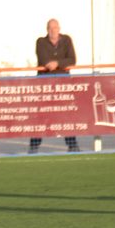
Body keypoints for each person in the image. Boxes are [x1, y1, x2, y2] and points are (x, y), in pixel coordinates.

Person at [32, 18, 79, 153]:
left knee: (67, 114)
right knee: (40, 116)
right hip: (45, 85)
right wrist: (54, 64)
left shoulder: (67, 40)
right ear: (47, 30)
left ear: (59, 28)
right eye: (50, 28)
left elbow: (72, 59)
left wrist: (57, 64)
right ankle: (34, 145)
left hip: (63, 84)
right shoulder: (41, 42)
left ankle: (72, 144)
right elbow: (43, 59)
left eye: (55, 28)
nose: (53, 31)